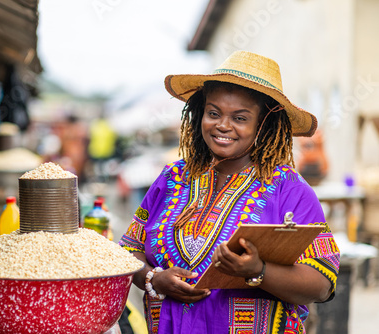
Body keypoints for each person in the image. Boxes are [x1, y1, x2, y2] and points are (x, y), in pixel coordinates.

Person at [119, 51, 340, 334]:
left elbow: (322, 284)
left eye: (240, 117)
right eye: (213, 113)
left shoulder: (291, 191)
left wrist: (258, 271)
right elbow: (129, 252)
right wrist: (153, 278)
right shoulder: (172, 178)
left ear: (263, 125)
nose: (222, 125)